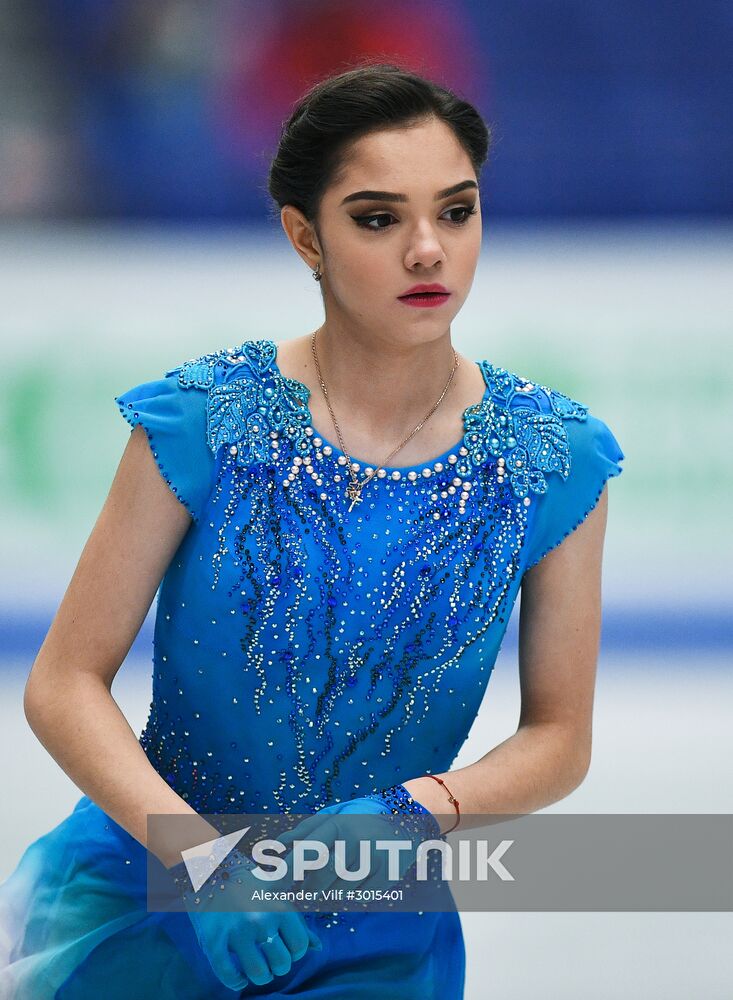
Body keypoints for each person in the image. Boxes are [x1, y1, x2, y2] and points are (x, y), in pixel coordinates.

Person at [0, 62, 624, 998]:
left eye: (455, 212)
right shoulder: (209, 418)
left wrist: (419, 809)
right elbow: (63, 682)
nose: (428, 250)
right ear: (306, 236)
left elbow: (558, 739)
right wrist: (202, 864)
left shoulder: (552, 457)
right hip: (141, 892)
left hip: (377, 936)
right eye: (377, 219)